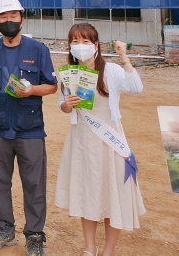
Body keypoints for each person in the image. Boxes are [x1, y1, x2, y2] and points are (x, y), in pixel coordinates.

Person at [0, 0, 57, 256]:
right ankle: (5, 229)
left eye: (13, 16)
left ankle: (34, 235)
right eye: (3, 17)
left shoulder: (38, 50)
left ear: (22, 18)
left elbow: (52, 86)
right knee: (0, 181)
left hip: (30, 129)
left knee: (34, 184)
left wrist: (32, 90)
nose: (8, 21)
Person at [55, 24, 145, 256]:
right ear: (70, 46)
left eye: (86, 41)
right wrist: (67, 105)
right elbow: (62, 105)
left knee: (113, 193)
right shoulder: (67, 74)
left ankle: (108, 251)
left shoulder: (111, 71)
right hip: (82, 141)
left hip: (110, 141)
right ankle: (89, 249)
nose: (80, 46)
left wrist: (124, 56)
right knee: (89, 193)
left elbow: (136, 87)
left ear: (96, 45)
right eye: (75, 42)